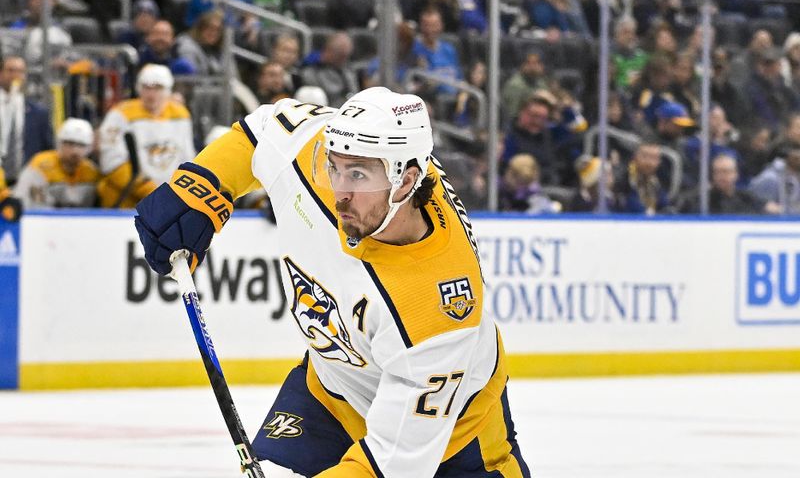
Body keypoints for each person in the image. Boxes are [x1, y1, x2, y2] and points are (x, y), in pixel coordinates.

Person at [134, 86, 530, 477]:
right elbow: (262, 130)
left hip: (454, 439)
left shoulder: (439, 311)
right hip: (334, 391)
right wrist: (201, 186)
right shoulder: (324, 160)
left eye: (357, 174)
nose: (339, 191)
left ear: (406, 182)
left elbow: (392, 465)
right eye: (334, 166)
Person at [97, 64, 195, 208]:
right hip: (126, 201)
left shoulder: (180, 114)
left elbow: (187, 157)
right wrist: (149, 190)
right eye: (146, 87)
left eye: (158, 88)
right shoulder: (120, 114)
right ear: (138, 88)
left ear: (168, 90)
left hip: (170, 200)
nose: (151, 94)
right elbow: (111, 162)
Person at [14, 117, 99, 209]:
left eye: (81, 145)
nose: (75, 151)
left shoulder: (91, 171)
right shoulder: (41, 165)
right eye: (70, 144)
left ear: (89, 148)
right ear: (60, 144)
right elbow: (31, 203)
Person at [0, 56, 54, 185]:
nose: (15, 75)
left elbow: (47, 148)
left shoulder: (38, 113)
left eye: (20, 71)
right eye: (10, 70)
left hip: (25, 180)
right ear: (1, 73)